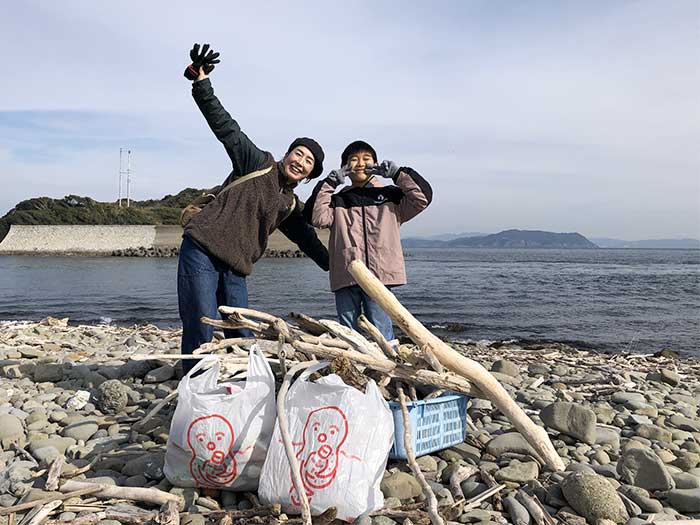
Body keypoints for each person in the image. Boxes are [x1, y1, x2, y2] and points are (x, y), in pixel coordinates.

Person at [178, 44, 329, 373]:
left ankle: (237, 381)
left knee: (241, 328)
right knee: (200, 319)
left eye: (308, 162)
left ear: (309, 174)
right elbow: (225, 127)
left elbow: (308, 240)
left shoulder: (289, 204)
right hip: (202, 248)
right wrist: (200, 81)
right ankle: (193, 381)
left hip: (236, 268)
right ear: (287, 154)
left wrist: (337, 270)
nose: (301, 162)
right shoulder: (256, 163)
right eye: (299, 154)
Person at [305, 140, 432, 342]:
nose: (360, 163)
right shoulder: (338, 200)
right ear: (345, 167)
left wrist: (398, 174)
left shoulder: (392, 196)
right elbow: (316, 217)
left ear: (376, 163)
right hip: (346, 273)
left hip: (379, 275)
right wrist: (330, 183)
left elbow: (422, 198)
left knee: (381, 326)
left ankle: (388, 365)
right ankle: (349, 369)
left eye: (366, 158)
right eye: (353, 160)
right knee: (347, 330)